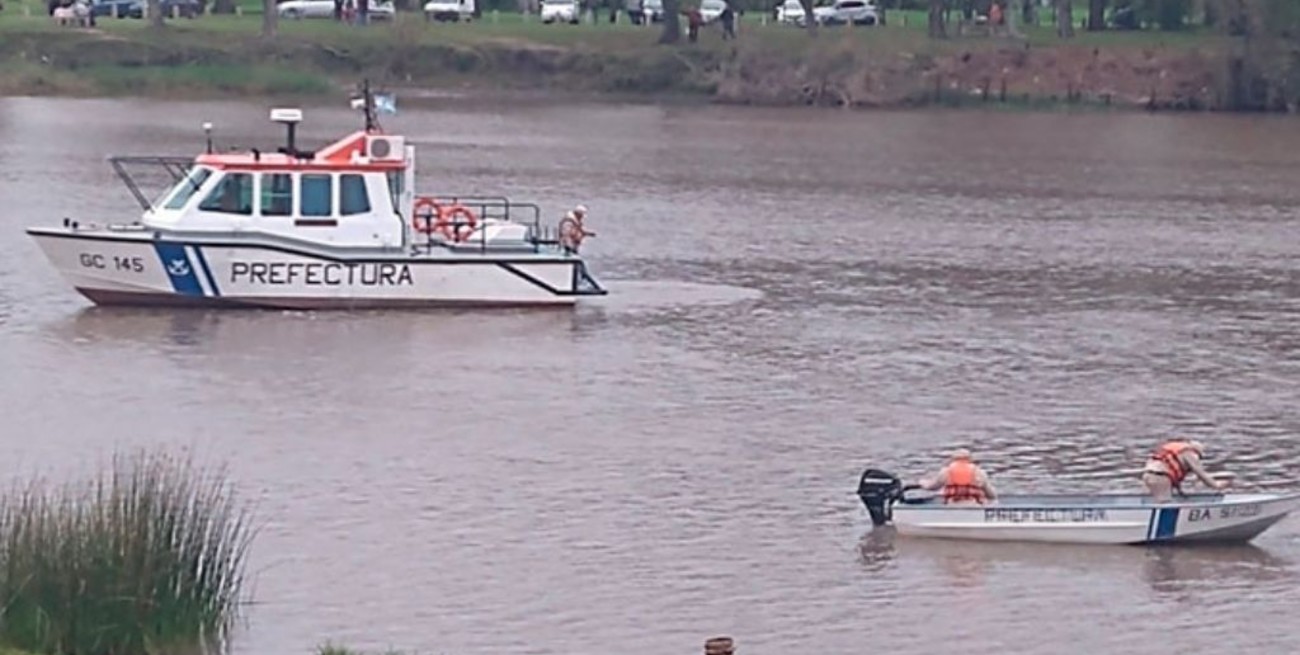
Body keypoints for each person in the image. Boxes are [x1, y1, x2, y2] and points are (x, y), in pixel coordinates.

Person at [1141, 439, 1229, 502]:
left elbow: (1171, 470)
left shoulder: (1177, 450)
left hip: (1147, 475)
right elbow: (1200, 473)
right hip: (1160, 477)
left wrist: (1180, 492)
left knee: (1153, 499)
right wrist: (1216, 485)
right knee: (1165, 502)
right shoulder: (1189, 453)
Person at [917, 448, 996, 505]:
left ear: (953, 459)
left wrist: (922, 483)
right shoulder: (979, 473)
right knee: (991, 502)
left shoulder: (946, 471)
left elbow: (932, 487)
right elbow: (991, 495)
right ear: (970, 459)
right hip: (974, 506)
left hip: (952, 506)